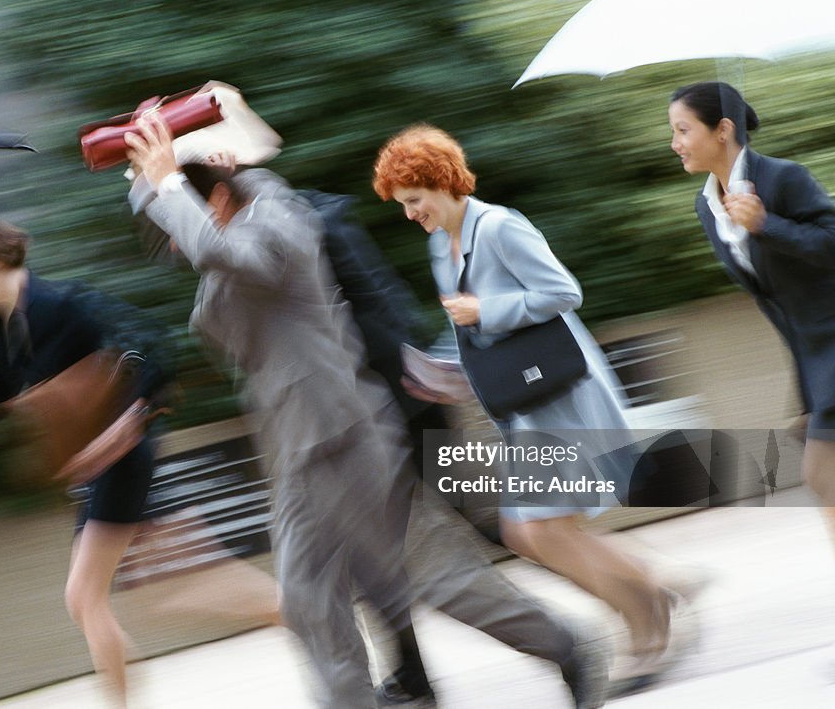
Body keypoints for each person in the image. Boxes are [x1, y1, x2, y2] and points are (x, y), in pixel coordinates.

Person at [123, 116, 608, 708]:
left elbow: (237, 257)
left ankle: (566, 647)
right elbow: (214, 265)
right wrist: (149, 170)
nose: (174, 241)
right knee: (309, 602)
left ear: (218, 194)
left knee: (439, 578)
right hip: (299, 447)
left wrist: (173, 186)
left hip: (344, 436)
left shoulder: (278, 219)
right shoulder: (226, 238)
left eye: (175, 223)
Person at [373, 124, 681, 682]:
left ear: (440, 184)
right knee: (530, 533)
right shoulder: (439, 247)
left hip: (559, 394)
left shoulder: (499, 226)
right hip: (522, 402)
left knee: (543, 531)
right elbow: (467, 322)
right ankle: (652, 592)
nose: (409, 213)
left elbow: (563, 293)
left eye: (413, 200)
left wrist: (486, 311)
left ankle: (646, 621)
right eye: (403, 205)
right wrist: (443, 370)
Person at [0, 216, 164, 708]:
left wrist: (117, 433)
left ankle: (123, 698)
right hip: (95, 468)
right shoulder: (3, 323)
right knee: (86, 600)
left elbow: (148, 352)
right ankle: (126, 689)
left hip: (123, 458)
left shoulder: (63, 303)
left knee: (87, 598)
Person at [668, 81, 835, 529]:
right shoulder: (708, 206)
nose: (674, 144)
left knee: (824, 475)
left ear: (722, 129)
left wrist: (767, 224)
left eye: (683, 130)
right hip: (812, 359)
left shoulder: (783, 178)